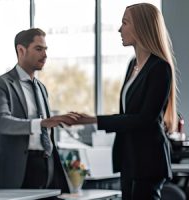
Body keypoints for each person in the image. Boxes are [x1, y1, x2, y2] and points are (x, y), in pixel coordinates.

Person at [72, 3, 177, 199]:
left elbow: (145, 119)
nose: (120, 29)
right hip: (129, 158)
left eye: (125, 23)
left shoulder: (160, 68)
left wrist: (95, 120)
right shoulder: (133, 65)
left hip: (148, 160)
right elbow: (126, 114)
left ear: (141, 26)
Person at [0, 28, 79, 192]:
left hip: (45, 166)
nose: (44, 55)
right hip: (18, 169)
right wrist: (42, 123)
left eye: (45, 49)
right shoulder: (1, 83)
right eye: (38, 49)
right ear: (21, 50)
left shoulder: (41, 88)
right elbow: (1, 122)